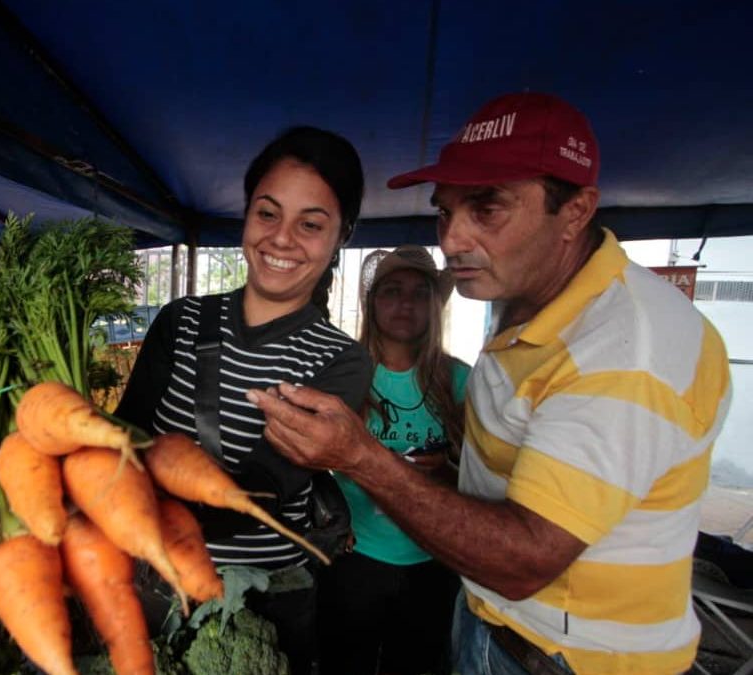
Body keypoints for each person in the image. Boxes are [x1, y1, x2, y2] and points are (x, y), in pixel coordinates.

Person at [248, 92, 731, 675]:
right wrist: (451, 475)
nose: (451, 239)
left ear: (575, 211)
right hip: (491, 627)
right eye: (446, 211)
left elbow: (525, 560)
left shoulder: (626, 350)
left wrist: (362, 458)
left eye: (488, 208)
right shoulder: (527, 312)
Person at [114, 126, 372, 675]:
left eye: (311, 224)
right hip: (153, 587)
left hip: (269, 603)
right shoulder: (181, 322)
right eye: (268, 213)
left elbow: (267, 488)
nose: (282, 239)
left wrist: (141, 500)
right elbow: (124, 436)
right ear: (246, 214)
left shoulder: (341, 361)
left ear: (340, 236)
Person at [318, 245, 468, 675]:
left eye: (421, 293)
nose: (405, 303)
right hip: (355, 558)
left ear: (435, 307)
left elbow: (488, 480)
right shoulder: (344, 377)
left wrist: (447, 473)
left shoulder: (459, 381)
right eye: (392, 291)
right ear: (372, 302)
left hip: (433, 563)